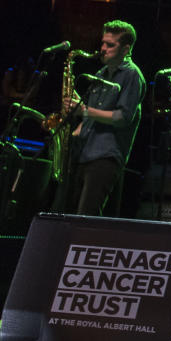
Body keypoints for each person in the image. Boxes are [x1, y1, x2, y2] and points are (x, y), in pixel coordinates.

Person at [65, 20, 145, 215]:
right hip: (85, 152)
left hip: (106, 156)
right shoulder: (101, 73)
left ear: (126, 49)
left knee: (86, 215)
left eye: (110, 45)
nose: (102, 48)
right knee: (71, 213)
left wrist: (84, 110)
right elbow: (91, 115)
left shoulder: (132, 75)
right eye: (103, 43)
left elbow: (122, 117)